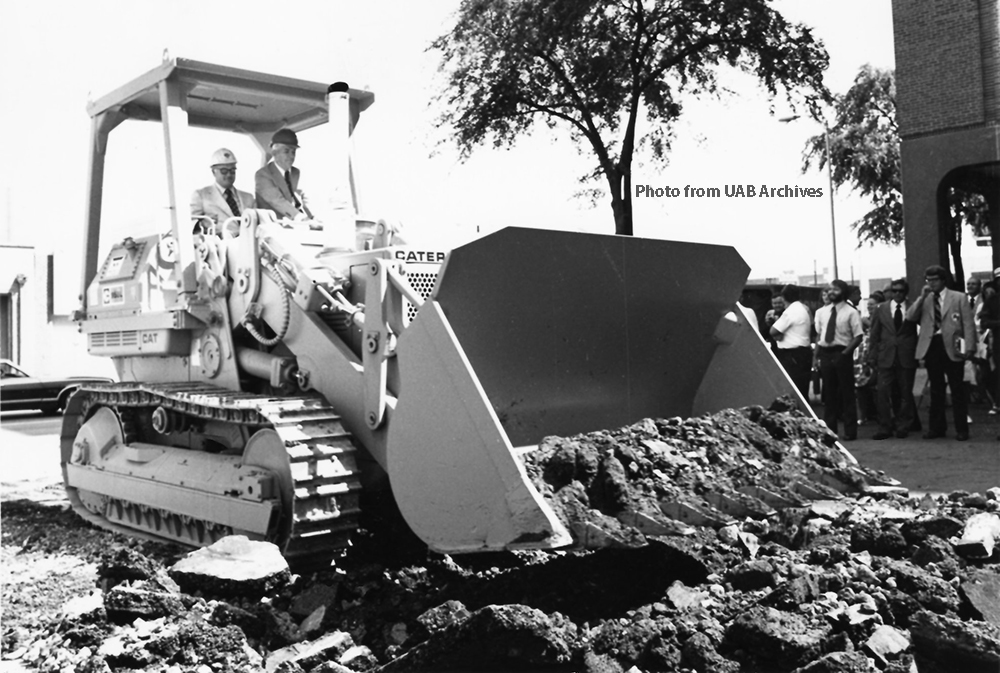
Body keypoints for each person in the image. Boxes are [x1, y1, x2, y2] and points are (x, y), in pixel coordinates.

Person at [905, 265, 977, 441]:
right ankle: (937, 427)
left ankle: (961, 429)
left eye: (935, 280)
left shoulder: (958, 298)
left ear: (943, 280)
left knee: (957, 388)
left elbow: (968, 323)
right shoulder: (926, 299)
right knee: (936, 389)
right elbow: (910, 317)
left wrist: (969, 346)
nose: (932, 283)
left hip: (952, 345)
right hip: (932, 345)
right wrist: (922, 296)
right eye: (929, 280)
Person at [867, 279, 919, 439]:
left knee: (905, 392)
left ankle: (903, 425)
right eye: (894, 291)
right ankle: (885, 426)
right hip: (885, 355)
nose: (897, 294)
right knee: (883, 392)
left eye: (900, 291)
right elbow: (874, 333)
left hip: (906, 355)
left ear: (905, 292)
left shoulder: (912, 308)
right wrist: (872, 355)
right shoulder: (881, 309)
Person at [813, 279, 864, 440]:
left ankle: (850, 431)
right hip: (826, 353)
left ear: (843, 292)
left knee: (847, 393)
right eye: (830, 289)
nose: (831, 292)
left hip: (842, 352)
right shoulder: (822, 312)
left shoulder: (851, 312)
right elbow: (819, 335)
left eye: (835, 290)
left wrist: (845, 354)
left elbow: (858, 336)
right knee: (829, 394)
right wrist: (816, 357)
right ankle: (830, 431)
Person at [190, 148, 256, 236]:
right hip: (220, 246)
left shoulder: (248, 198)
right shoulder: (201, 195)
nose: (229, 175)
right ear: (213, 172)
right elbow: (188, 224)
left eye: (232, 171)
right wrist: (202, 224)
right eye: (224, 171)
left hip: (248, 245)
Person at [255, 128, 313, 220]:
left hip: (300, 223)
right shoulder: (262, 175)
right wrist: (301, 218)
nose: (291, 156)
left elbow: (305, 199)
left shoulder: (296, 173)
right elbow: (277, 201)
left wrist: (313, 217)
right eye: (286, 151)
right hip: (275, 226)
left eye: (293, 152)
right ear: (274, 152)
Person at [769, 285, 812, 399]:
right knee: (802, 389)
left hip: (792, 355)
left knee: (793, 391)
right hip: (803, 352)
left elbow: (773, 330)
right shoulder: (803, 308)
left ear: (783, 297)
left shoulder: (790, 311)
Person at [855, 290, 884, 424]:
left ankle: (880, 414)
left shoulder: (882, 319)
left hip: (879, 354)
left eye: (873, 305)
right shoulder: (863, 321)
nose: (869, 307)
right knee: (861, 385)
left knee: (877, 386)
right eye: (868, 305)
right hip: (863, 356)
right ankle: (864, 414)